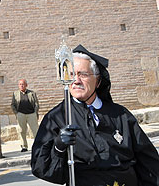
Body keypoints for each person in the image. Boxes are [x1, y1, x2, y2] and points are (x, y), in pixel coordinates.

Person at [31, 45, 159, 185]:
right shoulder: (57, 117)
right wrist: (58, 147)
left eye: (83, 74)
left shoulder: (120, 115)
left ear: (98, 81)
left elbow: (149, 162)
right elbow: (41, 168)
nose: (76, 80)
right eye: (72, 74)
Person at [11, 79, 39, 152]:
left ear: (26, 85)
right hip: (21, 114)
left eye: (23, 84)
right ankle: (24, 146)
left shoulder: (32, 93)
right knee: (21, 131)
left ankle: (38, 145)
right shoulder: (15, 93)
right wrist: (16, 113)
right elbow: (13, 104)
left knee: (35, 130)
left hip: (31, 114)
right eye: (20, 84)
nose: (21, 86)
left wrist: (35, 112)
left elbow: (36, 103)